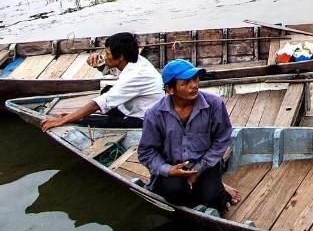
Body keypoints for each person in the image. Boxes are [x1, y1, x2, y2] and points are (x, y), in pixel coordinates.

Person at [138, 59, 239, 213]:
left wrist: (198, 170)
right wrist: (169, 170)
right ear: (171, 89)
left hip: (205, 165)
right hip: (172, 166)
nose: (194, 85)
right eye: (186, 82)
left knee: (212, 198)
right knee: (175, 193)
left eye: (195, 79)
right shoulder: (154, 114)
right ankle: (214, 192)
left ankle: (217, 192)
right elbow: (146, 152)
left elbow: (222, 139)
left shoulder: (214, 105)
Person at [40, 32, 163, 131]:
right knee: (107, 90)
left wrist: (63, 120)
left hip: (146, 121)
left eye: (107, 53)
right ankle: (82, 116)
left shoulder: (136, 74)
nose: (104, 56)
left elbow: (98, 103)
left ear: (120, 56)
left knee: (97, 121)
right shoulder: (133, 60)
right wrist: (98, 65)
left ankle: (82, 118)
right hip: (135, 109)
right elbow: (111, 71)